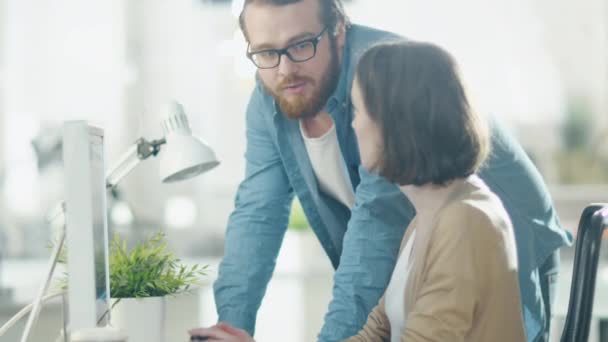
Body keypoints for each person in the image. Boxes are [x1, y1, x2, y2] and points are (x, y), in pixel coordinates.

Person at [201, 0, 571, 341]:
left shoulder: (384, 84)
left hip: (502, 243)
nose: (285, 68)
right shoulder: (272, 96)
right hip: (429, 237)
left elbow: (375, 231)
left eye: (301, 45)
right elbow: (257, 214)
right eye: (267, 52)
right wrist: (229, 328)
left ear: (339, 31)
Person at [345, 40, 526, 341]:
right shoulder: (424, 219)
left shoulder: (465, 221)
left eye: (359, 110)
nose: (354, 124)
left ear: (397, 122)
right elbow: (375, 334)